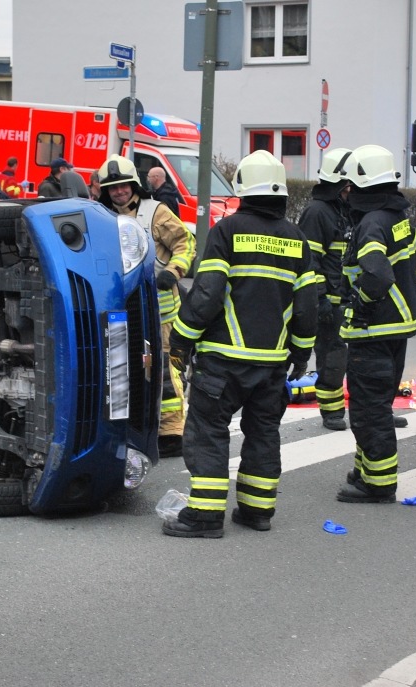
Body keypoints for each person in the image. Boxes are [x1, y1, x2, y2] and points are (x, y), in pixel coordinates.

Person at [165, 150, 317, 537]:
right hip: (271, 365)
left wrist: (181, 339)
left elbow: (206, 294)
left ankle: (204, 516)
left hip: (223, 361)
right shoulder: (298, 241)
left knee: (208, 431)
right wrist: (300, 355)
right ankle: (256, 511)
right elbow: (307, 309)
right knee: (263, 433)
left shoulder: (228, 231)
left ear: (242, 189)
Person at [334, 145, 416, 504]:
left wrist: (363, 305)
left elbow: (376, 275)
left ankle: (379, 483)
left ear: (360, 186)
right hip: (396, 331)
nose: (346, 193)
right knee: (375, 405)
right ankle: (366, 469)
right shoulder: (398, 217)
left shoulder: (371, 224)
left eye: (350, 186)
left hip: (372, 333)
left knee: (369, 410)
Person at [96, 154, 196, 459]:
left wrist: (173, 272)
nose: (119, 192)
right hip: (123, 309)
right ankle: (133, 427)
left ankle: (171, 433)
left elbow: (185, 243)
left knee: (165, 372)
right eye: (112, 188)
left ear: (134, 185)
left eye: (123, 186)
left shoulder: (156, 212)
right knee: (123, 369)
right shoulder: (101, 216)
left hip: (162, 311)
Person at [297, 147, 353, 431]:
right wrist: (321, 300)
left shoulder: (344, 211)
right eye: (349, 186)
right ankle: (331, 411)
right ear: (341, 184)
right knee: (332, 356)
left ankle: (369, 408)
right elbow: (310, 261)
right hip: (330, 303)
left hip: (350, 300)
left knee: (360, 360)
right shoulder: (318, 213)